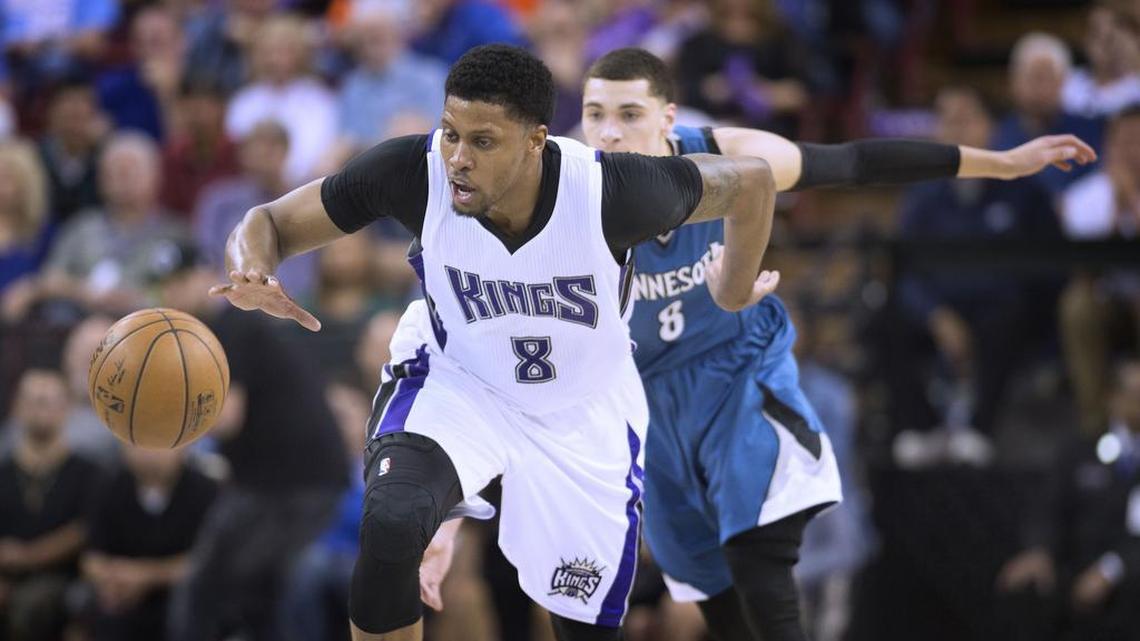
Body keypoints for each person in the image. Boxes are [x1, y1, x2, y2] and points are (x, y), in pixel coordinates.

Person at [212, 43, 780, 641]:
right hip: (459, 382)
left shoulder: (616, 192)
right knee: (392, 521)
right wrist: (253, 267)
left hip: (581, 411)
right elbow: (269, 222)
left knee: (582, 624)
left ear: (536, 140)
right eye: (451, 132)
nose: (458, 157)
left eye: (483, 142)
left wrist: (734, 290)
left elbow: (753, 182)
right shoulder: (414, 172)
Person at [527, 47, 1087, 641]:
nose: (609, 133)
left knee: (756, 554)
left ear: (668, 117)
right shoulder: (564, 189)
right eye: (596, 114)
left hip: (734, 372)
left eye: (629, 114)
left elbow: (853, 162)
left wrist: (998, 164)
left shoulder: (728, 156)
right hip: (644, 398)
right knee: (708, 593)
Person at [151, 242, 348, 641]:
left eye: (183, 280)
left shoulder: (231, 324)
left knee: (249, 590)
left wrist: (158, 426)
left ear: (208, 277)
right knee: (213, 589)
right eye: (166, 286)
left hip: (297, 488)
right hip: (269, 484)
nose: (174, 293)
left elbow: (225, 417)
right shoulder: (220, 331)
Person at [996, 358, 1140, 641]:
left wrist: (1110, 571)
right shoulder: (1080, 450)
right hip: (1073, 564)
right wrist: (1040, 549)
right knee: (1025, 584)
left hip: (1127, 571)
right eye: (1135, 395)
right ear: (1113, 397)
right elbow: (1049, 507)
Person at [0, 368, 101, 641]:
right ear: (17, 407)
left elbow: (85, 529)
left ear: (66, 409)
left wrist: (27, 556)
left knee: (32, 607)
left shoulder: (88, 471)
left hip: (63, 578)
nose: (39, 409)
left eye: (48, 401)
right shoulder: (5, 470)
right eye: (32, 400)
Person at [82, 445, 218, 641]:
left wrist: (146, 576)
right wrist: (111, 581)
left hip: (180, 595)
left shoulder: (206, 491)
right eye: (140, 445)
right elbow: (92, 557)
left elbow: (206, 564)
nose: (149, 454)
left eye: (158, 445)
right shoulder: (109, 484)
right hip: (121, 595)